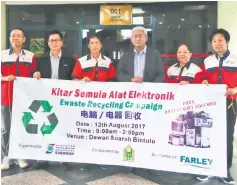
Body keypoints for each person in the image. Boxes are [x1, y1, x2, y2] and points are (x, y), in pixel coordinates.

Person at [196, 28, 236, 184]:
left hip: (229, 103)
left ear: (227, 41)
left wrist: (234, 89)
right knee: (209, 135)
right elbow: (201, 78)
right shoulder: (207, 61)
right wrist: (203, 81)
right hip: (210, 104)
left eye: (220, 40)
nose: (217, 44)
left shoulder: (235, 59)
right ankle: (208, 169)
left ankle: (225, 171)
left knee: (226, 137)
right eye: (214, 41)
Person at [32, 29, 77, 170]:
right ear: (48, 43)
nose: (54, 43)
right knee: (46, 128)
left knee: (63, 128)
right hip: (46, 101)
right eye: (52, 40)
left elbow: (74, 77)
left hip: (64, 100)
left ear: (62, 42)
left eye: (57, 40)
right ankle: (43, 158)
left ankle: (63, 159)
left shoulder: (71, 60)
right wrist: (35, 73)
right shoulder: (40, 59)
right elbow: (32, 74)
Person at [72, 35, 116, 170]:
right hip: (86, 103)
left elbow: (113, 82)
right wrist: (81, 80)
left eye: (97, 43)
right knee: (87, 131)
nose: (95, 45)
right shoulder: (81, 62)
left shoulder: (108, 62)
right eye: (92, 43)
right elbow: (74, 79)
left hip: (103, 103)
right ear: (89, 46)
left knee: (102, 130)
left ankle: (102, 158)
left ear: (101, 45)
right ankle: (86, 159)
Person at [1, 28, 37, 170]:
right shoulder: (2, 55)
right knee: (6, 128)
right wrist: (4, 77)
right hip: (6, 97)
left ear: (24, 39)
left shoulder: (30, 56)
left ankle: (21, 156)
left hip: (24, 98)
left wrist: (36, 73)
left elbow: (34, 72)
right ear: (10, 39)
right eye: (13, 36)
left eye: (18, 36)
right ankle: (5, 157)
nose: (16, 38)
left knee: (22, 126)